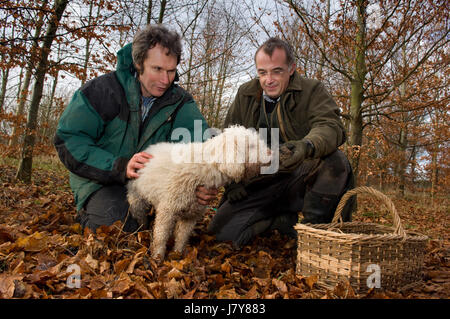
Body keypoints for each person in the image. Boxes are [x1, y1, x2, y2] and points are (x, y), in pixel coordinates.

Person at [54, 25, 217, 233]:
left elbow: (199, 144)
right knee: (121, 228)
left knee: (176, 229)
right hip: (101, 179)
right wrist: (119, 166)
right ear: (139, 63)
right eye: (157, 69)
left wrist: (201, 181)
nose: (165, 80)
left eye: (171, 71)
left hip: (153, 185)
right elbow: (68, 139)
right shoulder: (102, 90)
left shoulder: (180, 102)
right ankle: (91, 215)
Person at [208, 37, 355, 248]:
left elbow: (331, 126)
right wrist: (232, 184)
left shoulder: (312, 90)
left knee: (335, 161)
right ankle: (276, 221)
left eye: (277, 71)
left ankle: (314, 233)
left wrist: (306, 146)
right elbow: (226, 142)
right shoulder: (245, 94)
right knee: (220, 236)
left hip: (299, 175)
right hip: (258, 182)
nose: (269, 79)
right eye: (262, 72)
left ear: (292, 68)